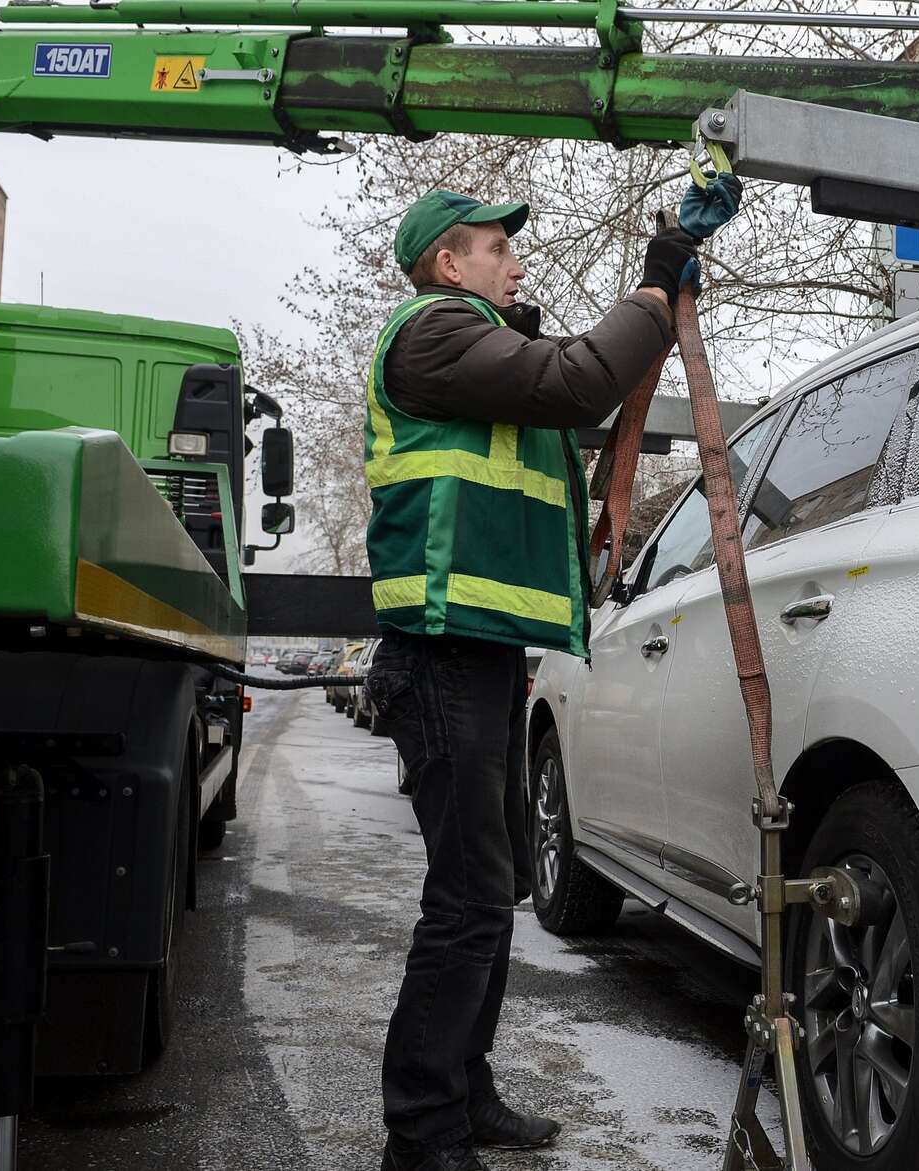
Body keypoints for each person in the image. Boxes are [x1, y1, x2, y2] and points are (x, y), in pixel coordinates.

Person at [363, 183, 735, 1171]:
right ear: (451, 264)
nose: (517, 265)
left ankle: (463, 1090)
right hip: (439, 652)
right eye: (498, 250)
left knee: (495, 888)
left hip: (478, 656)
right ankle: (422, 1128)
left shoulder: (479, 353)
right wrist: (656, 283)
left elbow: (578, 382)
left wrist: (659, 285)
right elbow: (575, 380)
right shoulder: (436, 335)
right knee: (468, 896)